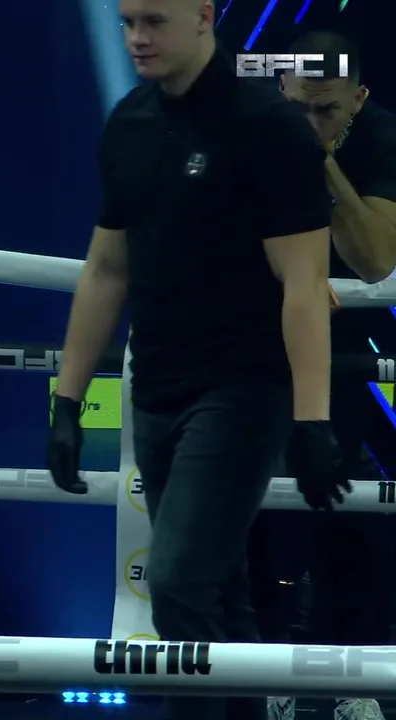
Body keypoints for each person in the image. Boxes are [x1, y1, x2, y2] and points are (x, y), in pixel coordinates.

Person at [45, 1, 347, 719]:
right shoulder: (130, 123)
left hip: (243, 389)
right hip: (155, 384)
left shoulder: (268, 126)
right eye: (126, 23)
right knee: (219, 591)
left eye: (153, 21)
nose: (136, 38)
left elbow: (304, 283)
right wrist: (67, 400)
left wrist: (313, 422)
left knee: (180, 583)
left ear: (205, 15)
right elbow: (106, 271)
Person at [265, 31, 396, 720]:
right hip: (251, 336)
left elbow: (375, 259)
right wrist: (297, 273)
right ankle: (260, 678)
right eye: (299, 109)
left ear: (359, 99)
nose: (312, 122)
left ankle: (355, 680)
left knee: (342, 506)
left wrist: (319, 160)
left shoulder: (380, 138)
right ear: (278, 92)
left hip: (341, 347)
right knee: (243, 513)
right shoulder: (246, 127)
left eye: (328, 111)